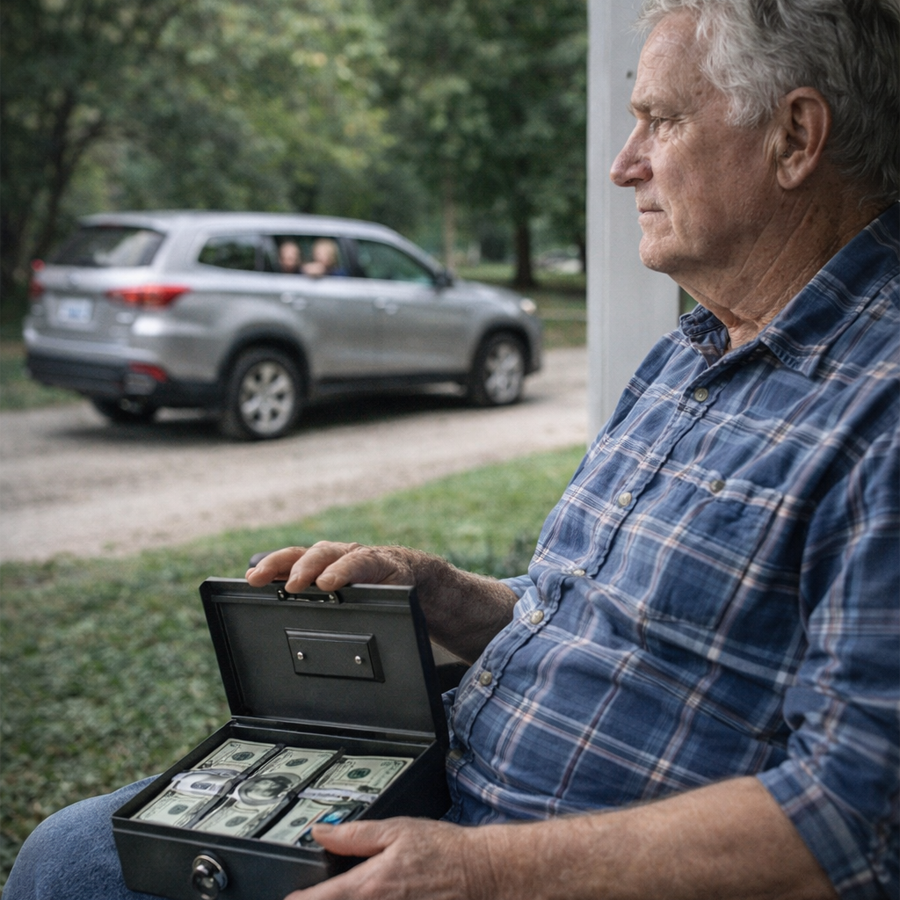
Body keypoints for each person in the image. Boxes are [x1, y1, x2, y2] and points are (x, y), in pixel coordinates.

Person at [5, 1, 898, 898]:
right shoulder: (691, 350)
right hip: (450, 792)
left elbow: (856, 820)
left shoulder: (880, 407)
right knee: (66, 852)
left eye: (661, 121)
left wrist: (482, 872)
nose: (623, 165)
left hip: (524, 862)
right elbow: (593, 617)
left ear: (795, 136)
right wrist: (451, 596)